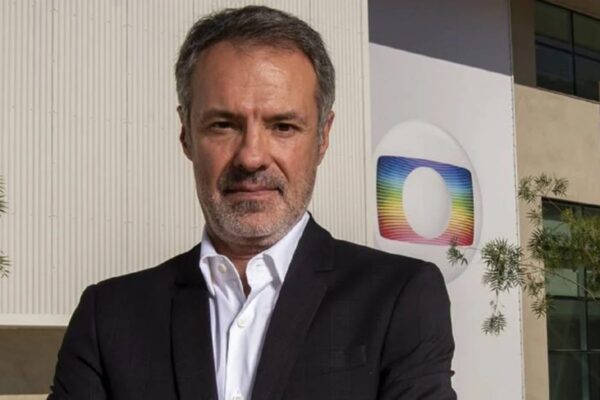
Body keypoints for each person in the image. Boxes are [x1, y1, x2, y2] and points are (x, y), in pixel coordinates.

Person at [48, 5, 456, 400]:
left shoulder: (398, 297)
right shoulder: (110, 317)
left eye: (283, 126)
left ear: (323, 137)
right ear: (186, 134)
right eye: (223, 125)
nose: (251, 157)